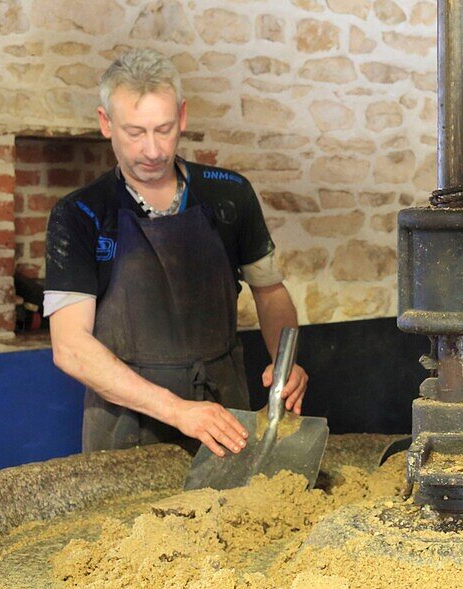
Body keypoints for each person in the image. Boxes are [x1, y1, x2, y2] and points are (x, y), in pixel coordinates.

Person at [44, 48, 307, 458]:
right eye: (134, 132)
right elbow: (71, 347)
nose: (152, 150)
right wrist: (177, 410)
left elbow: (271, 292)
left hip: (225, 413)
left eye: (164, 129)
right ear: (105, 123)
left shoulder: (229, 194)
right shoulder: (79, 214)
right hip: (125, 424)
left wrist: (286, 359)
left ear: (182, 117)